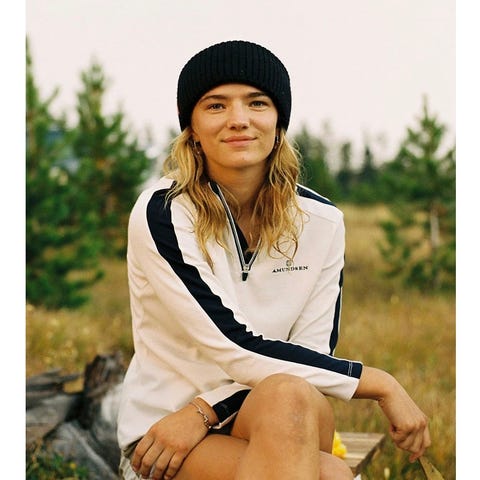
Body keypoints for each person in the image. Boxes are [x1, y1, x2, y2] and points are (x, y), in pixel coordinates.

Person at [117, 40, 430, 480]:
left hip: (275, 414)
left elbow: (309, 356)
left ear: (279, 121)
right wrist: (380, 383)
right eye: (216, 105)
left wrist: (207, 409)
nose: (238, 119)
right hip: (165, 435)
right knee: (331, 473)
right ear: (192, 128)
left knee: (289, 394)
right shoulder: (165, 212)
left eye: (257, 103)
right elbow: (234, 347)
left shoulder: (322, 222)